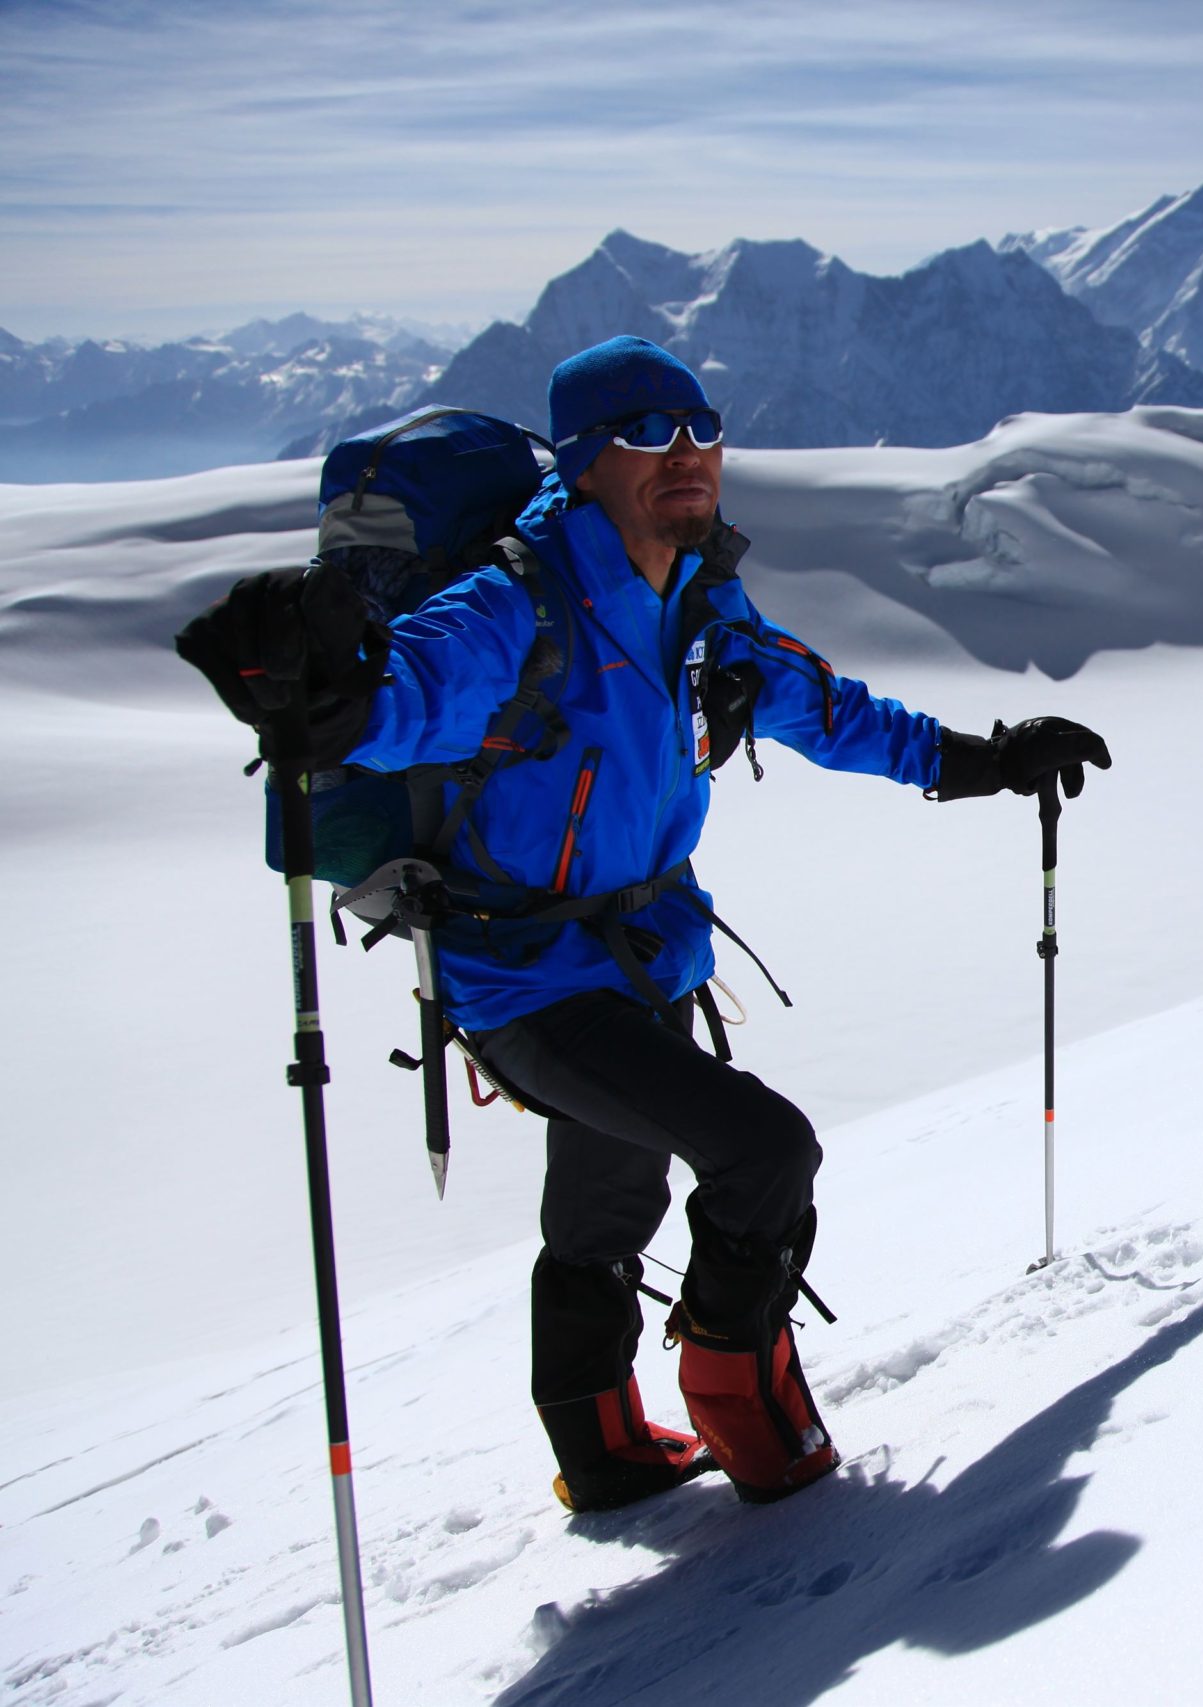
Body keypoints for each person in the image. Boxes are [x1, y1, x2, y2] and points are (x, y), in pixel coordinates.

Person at [176, 336, 1110, 1511]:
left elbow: (826, 710)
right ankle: (749, 1415)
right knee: (763, 1149)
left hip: (651, 950)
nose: (686, 455)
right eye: (646, 433)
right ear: (579, 460)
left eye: (701, 425)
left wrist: (986, 760)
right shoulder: (515, 602)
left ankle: (603, 1457)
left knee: (609, 1203)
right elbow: (415, 692)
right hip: (521, 977)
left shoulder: (703, 597)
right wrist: (330, 700)